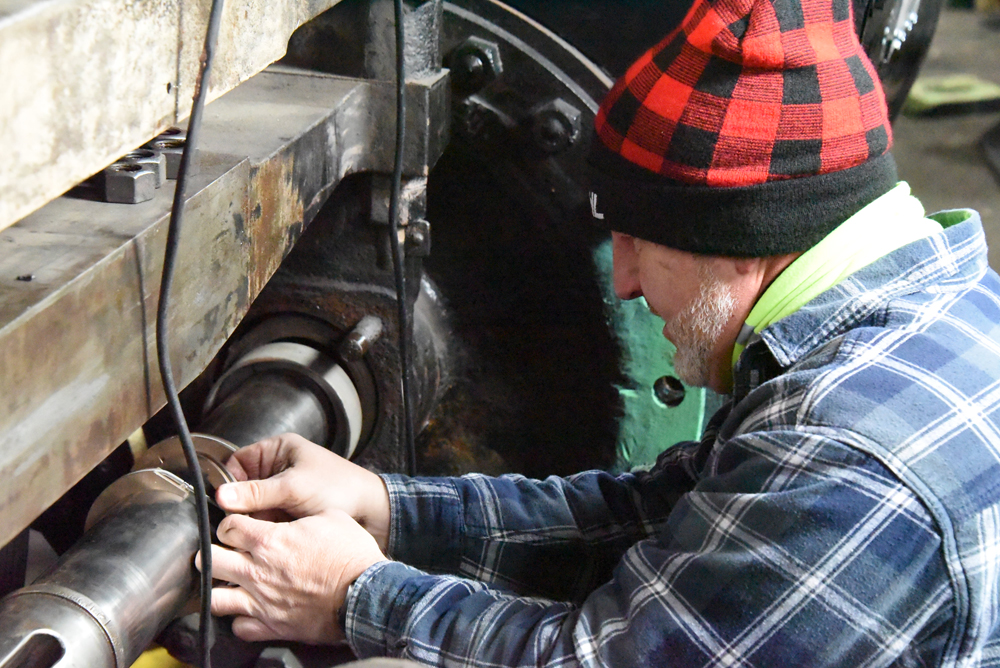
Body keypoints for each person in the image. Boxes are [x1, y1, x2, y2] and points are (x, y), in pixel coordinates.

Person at [201, 0, 1000, 663]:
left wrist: (353, 596)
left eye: (637, 242)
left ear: (743, 238)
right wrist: (384, 505)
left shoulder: (848, 460)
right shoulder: (916, 321)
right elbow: (659, 517)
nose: (621, 282)